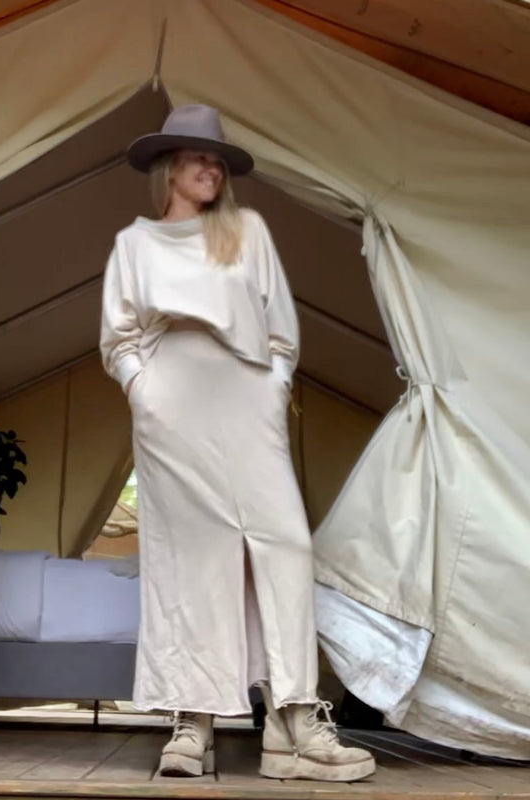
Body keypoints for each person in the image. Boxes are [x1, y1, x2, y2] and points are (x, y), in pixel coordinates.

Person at [99, 105, 376, 783]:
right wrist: (146, 391)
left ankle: (296, 721)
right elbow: (118, 339)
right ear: (169, 167)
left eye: (218, 160)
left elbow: (281, 332)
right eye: (198, 157)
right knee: (194, 557)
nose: (210, 167)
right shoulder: (133, 244)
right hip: (172, 414)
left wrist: (272, 390)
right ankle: (193, 722)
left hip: (247, 403)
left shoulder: (246, 232)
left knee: (285, 543)